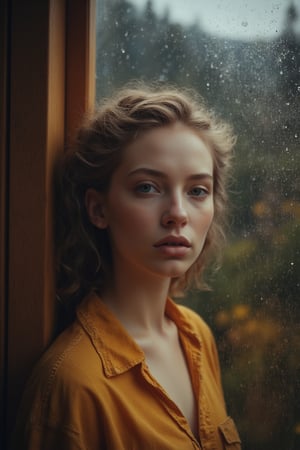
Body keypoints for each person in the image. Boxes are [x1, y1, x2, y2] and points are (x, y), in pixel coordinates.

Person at [13, 85, 241, 449]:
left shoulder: (197, 336)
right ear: (98, 209)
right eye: (148, 187)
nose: (178, 215)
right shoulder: (72, 383)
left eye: (197, 191)